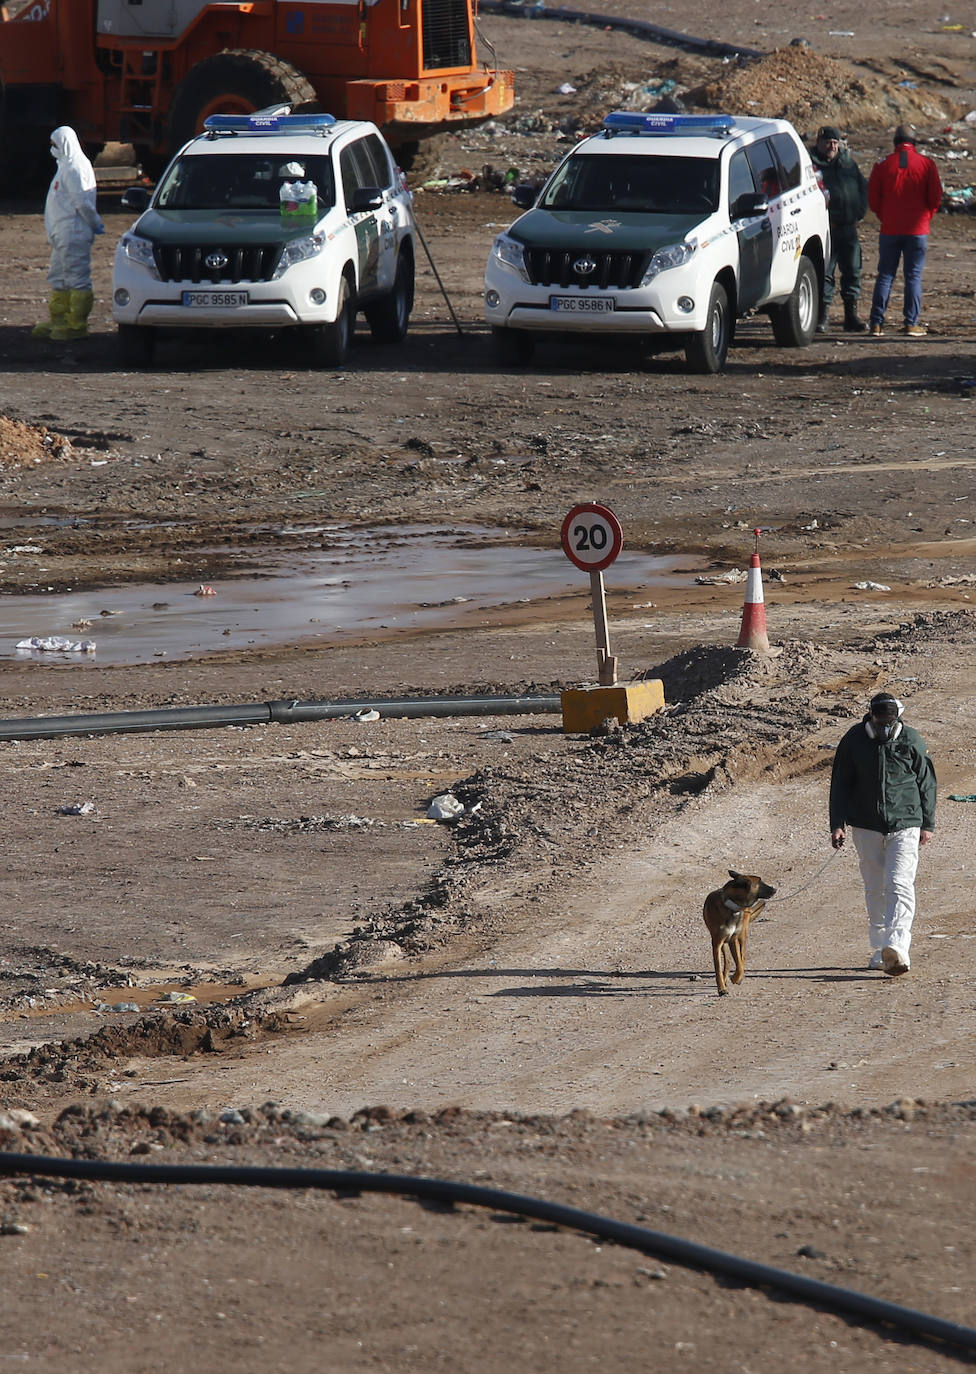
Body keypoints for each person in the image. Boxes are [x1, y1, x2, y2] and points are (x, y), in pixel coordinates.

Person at [829, 692, 936, 976]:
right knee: (875, 887)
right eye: (880, 721)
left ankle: (897, 947)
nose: (884, 727)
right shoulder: (853, 740)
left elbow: (927, 782)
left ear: (896, 718)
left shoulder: (911, 739)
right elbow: (840, 783)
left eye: (890, 721)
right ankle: (880, 949)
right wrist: (837, 823)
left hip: (906, 822)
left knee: (899, 883)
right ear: (871, 716)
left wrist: (928, 824)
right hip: (865, 824)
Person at [866, 124, 943, 337]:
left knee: (885, 275)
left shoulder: (882, 165)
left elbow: (873, 199)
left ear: (895, 143)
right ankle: (911, 323)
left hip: (890, 229)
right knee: (913, 276)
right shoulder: (927, 164)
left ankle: (876, 323)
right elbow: (936, 197)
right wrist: (927, 216)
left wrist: (885, 216)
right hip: (917, 230)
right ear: (914, 143)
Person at [32, 126, 105, 342]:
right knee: (59, 277)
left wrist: (95, 223)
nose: (52, 149)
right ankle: (59, 320)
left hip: (73, 232)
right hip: (61, 235)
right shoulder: (64, 166)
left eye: (55, 144)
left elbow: (82, 202)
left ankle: (77, 324)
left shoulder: (75, 167)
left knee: (77, 277)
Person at [808, 125, 868, 333]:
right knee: (825, 273)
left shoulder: (847, 163)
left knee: (852, 271)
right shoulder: (811, 166)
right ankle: (822, 318)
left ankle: (851, 316)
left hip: (849, 228)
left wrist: (859, 212)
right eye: (827, 143)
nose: (831, 146)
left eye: (835, 143)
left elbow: (862, 188)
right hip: (825, 229)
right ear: (819, 143)